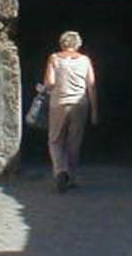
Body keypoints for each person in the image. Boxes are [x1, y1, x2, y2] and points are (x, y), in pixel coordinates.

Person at [42, 30, 98, 192]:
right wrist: (94, 111)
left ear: (62, 43)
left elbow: (49, 82)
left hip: (58, 103)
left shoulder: (54, 58)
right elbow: (91, 86)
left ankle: (60, 170)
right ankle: (72, 177)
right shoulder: (85, 60)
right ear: (77, 44)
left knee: (55, 139)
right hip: (80, 104)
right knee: (74, 142)